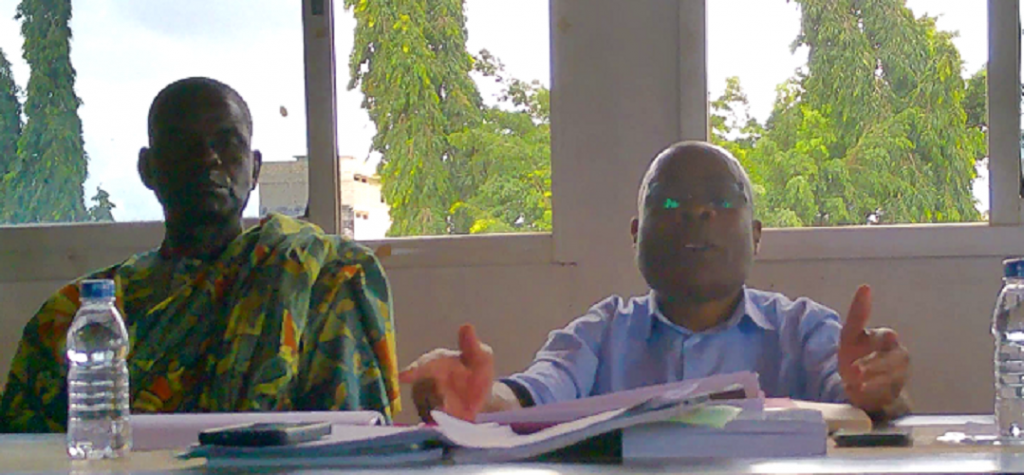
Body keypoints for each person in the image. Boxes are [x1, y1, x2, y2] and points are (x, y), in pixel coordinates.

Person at [401, 141, 911, 423]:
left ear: (756, 236)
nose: (696, 213)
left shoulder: (804, 329)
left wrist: (878, 393)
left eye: (721, 201)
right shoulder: (600, 332)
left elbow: (861, 405)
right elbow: (536, 394)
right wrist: (477, 400)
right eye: (668, 203)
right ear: (635, 235)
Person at [0, 77, 400, 433]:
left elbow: (352, 447)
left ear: (255, 169)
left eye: (228, 143)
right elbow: (23, 454)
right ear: (148, 168)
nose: (208, 157)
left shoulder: (319, 280)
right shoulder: (76, 314)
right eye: (182, 144)